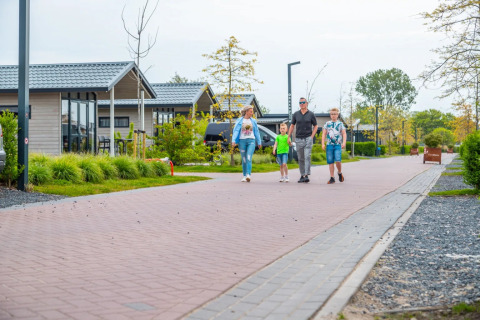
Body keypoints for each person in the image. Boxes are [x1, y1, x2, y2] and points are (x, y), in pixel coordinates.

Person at [288, 97, 318, 183]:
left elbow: (315, 126)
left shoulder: (311, 114)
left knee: (307, 156)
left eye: (303, 102)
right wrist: (288, 137)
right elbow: (292, 126)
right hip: (298, 139)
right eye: (300, 103)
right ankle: (302, 175)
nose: (302, 104)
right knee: (301, 158)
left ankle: (306, 175)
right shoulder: (296, 114)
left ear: (307, 103)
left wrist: (312, 136)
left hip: (308, 138)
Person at [232, 105, 262, 182]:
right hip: (242, 141)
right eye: (251, 111)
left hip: (251, 141)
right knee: (244, 159)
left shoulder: (253, 121)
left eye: (252, 111)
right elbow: (235, 131)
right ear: (246, 112)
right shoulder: (239, 120)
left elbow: (257, 132)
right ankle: (244, 175)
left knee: (248, 157)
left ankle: (248, 174)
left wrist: (259, 142)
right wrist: (233, 140)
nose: (252, 113)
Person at [322, 107, 347, 184]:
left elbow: (344, 133)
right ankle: (332, 177)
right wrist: (323, 143)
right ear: (330, 115)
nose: (333, 115)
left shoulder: (340, 124)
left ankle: (339, 172)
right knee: (330, 162)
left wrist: (344, 142)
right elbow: (324, 134)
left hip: (337, 145)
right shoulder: (327, 124)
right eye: (332, 114)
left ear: (337, 115)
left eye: (335, 114)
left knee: (338, 160)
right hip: (329, 145)